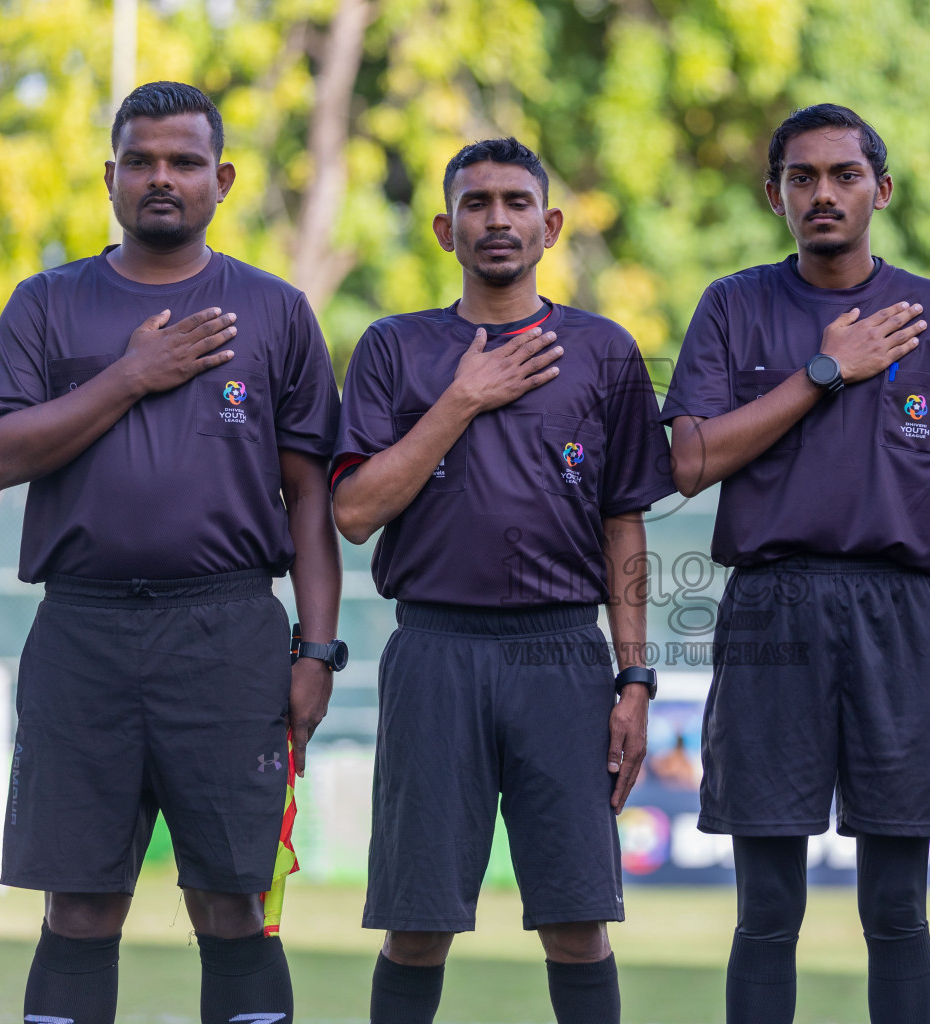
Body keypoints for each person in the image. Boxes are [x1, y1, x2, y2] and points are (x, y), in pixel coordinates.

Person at [0, 82, 342, 1024]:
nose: (160, 178)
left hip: (227, 631)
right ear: (110, 178)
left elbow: (311, 498)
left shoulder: (277, 310)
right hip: (81, 630)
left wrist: (318, 650)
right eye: (140, 161)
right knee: (81, 906)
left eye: (181, 162)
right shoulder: (48, 303)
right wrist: (130, 377)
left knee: (234, 904)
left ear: (223, 179)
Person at [663, 103, 930, 1024]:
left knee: (898, 910)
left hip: (903, 618)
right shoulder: (734, 305)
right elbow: (687, 463)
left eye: (844, 175)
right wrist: (822, 371)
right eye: (801, 178)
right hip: (773, 608)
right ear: (774, 196)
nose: (823, 193)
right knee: (768, 910)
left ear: (880, 190)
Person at [332, 137, 674, 1024]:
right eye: (477, 204)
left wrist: (634, 679)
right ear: (446, 228)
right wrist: (462, 397)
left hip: (563, 653)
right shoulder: (395, 348)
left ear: (550, 225)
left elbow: (623, 525)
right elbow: (356, 511)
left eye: (517, 202)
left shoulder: (602, 350)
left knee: (577, 922)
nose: (497, 219)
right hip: (436, 649)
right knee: (415, 925)